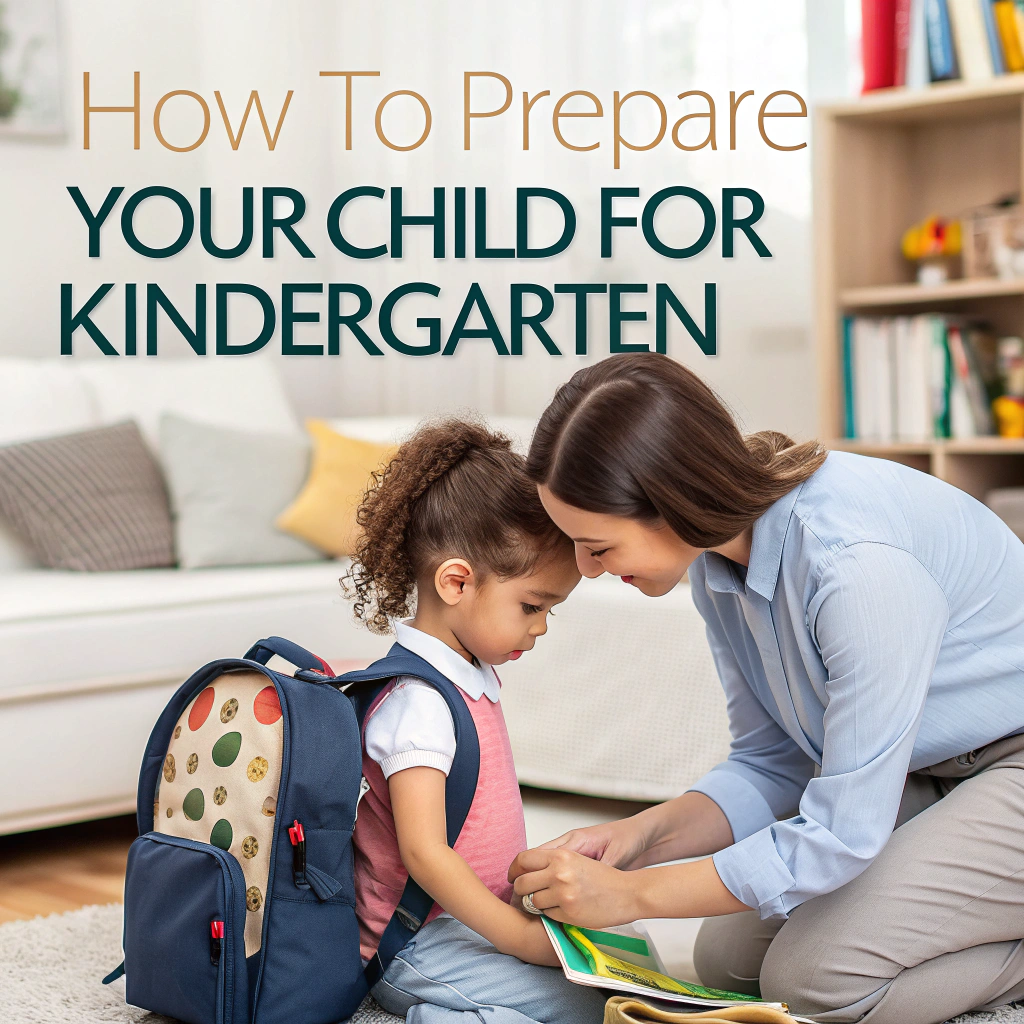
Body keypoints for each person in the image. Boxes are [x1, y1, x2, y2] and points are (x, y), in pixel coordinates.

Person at [508, 353, 1024, 1024]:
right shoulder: (719, 568)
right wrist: (637, 840)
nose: (586, 569)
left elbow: (841, 834)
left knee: (815, 980)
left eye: (597, 546)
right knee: (729, 958)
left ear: (672, 504)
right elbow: (771, 760)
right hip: (939, 770)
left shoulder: (855, 569)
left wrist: (632, 898)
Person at [343, 419, 603, 1024]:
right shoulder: (417, 702)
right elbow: (426, 854)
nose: (539, 627)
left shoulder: (469, 677)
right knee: (583, 1010)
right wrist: (519, 940)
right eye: (532, 606)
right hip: (414, 945)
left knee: (614, 974)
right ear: (456, 581)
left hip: (469, 923)